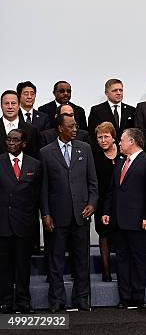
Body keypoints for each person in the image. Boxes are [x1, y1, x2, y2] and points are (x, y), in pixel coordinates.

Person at [40, 113, 98, 312]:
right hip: (56, 216)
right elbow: (43, 188)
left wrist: (92, 203)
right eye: (71, 126)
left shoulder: (85, 148)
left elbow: (93, 182)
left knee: (82, 260)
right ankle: (57, 300)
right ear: (60, 128)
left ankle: (82, 299)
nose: (75, 129)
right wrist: (45, 214)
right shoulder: (46, 152)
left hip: (81, 214)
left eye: (76, 126)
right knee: (55, 261)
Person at [102, 128, 146, 309]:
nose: (119, 143)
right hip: (119, 221)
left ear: (133, 142)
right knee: (122, 260)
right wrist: (107, 211)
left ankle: (138, 296)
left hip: (138, 222)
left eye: (122, 140)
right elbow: (112, 190)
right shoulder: (120, 163)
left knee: (138, 260)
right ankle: (124, 297)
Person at [0, 129, 42, 314]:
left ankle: (24, 301)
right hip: (2, 224)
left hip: (25, 224)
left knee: (23, 265)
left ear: (23, 143)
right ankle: (6, 301)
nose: (11, 143)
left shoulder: (35, 164)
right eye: (9, 139)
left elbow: (39, 195)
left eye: (15, 140)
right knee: (4, 266)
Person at [92, 122, 119, 282]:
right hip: (101, 201)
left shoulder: (123, 153)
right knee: (104, 235)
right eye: (99, 137)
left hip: (122, 201)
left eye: (106, 137)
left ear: (113, 137)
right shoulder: (94, 155)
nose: (103, 140)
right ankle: (106, 271)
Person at [1, 90, 39, 159]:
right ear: (1, 106)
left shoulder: (31, 130)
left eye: (13, 103)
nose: (10, 107)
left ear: (19, 105)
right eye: (6, 103)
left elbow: (34, 157)